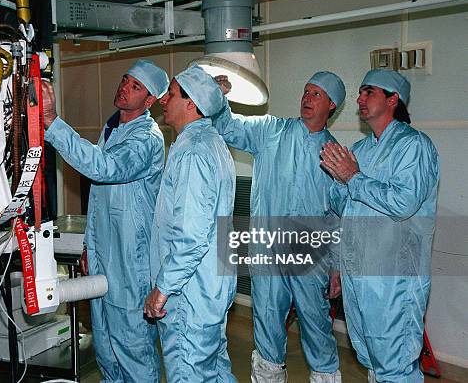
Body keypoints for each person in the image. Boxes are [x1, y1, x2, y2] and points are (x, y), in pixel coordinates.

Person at [212, 72, 346, 383]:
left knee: (316, 327)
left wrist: (338, 266)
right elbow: (229, 127)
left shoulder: (335, 155)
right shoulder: (271, 130)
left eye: (316, 94)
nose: (307, 98)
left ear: (332, 105)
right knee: (267, 324)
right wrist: (220, 99)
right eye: (305, 91)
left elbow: (340, 216)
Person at [43, 59, 169, 382]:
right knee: (106, 349)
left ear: (150, 100)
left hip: (130, 264)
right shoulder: (114, 128)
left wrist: (52, 122)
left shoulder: (146, 139)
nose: (125, 87)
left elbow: (104, 169)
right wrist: (90, 246)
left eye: (136, 87)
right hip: (103, 257)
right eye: (126, 80)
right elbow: (100, 198)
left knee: (132, 349)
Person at [320, 69, 439, 382]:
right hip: (360, 279)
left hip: (395, 282)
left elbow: (403, 204)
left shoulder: (413, 147)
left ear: (392, 99)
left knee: (396, 362)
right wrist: (336, 267)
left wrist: (353, 178)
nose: (359, 99)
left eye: (368, 92)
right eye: (360, 92)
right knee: (372, 357)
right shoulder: (358, 152)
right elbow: (342, 214)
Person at [143, 64, 237, 382]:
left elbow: (190, 236)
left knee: (189, 370)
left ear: (191, 103)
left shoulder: (194, 152)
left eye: (170, 94)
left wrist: (163, 288)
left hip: (189, 293)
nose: (162, 101)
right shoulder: (213, 143)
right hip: (211, 287)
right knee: (215, 369)